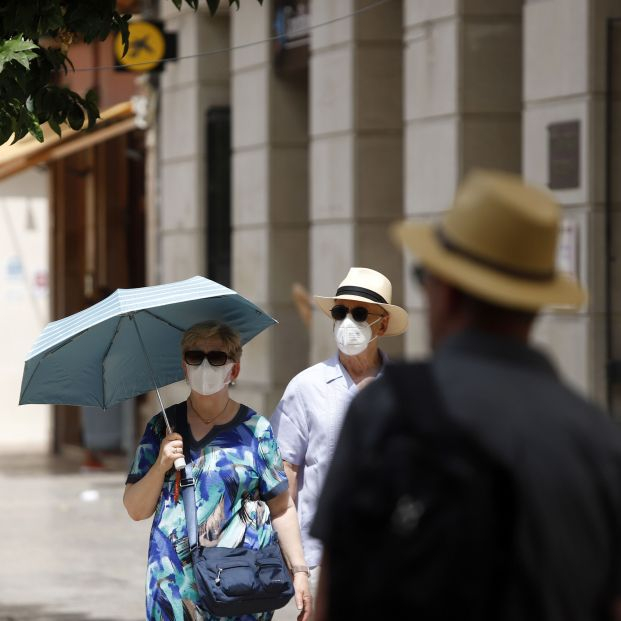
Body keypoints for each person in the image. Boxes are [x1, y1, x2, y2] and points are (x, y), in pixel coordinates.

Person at [311, 170, 621, 620]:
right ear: (534, 302)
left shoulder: (386, 408)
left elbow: (334, 594)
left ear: (448, 292)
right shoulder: (599, 442)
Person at [123, 320, 312, 621]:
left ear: (234, 370)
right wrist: (160, 465)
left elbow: (282, 508)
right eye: (195, 357)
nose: (205, 365)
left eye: (216, 357)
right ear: (184, 367)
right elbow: (135, 508)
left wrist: (300, 570)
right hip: (173, 587)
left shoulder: (256, 430)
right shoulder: (162, 428)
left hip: (240, 586)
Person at [270, 267, 408, 595]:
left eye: (360, 313)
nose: (348, 321)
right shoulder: (305, 387)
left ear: (383, 324)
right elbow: (284, 471)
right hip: (321, 562)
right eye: (340, 311)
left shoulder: (404, 391)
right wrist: (294, 562)